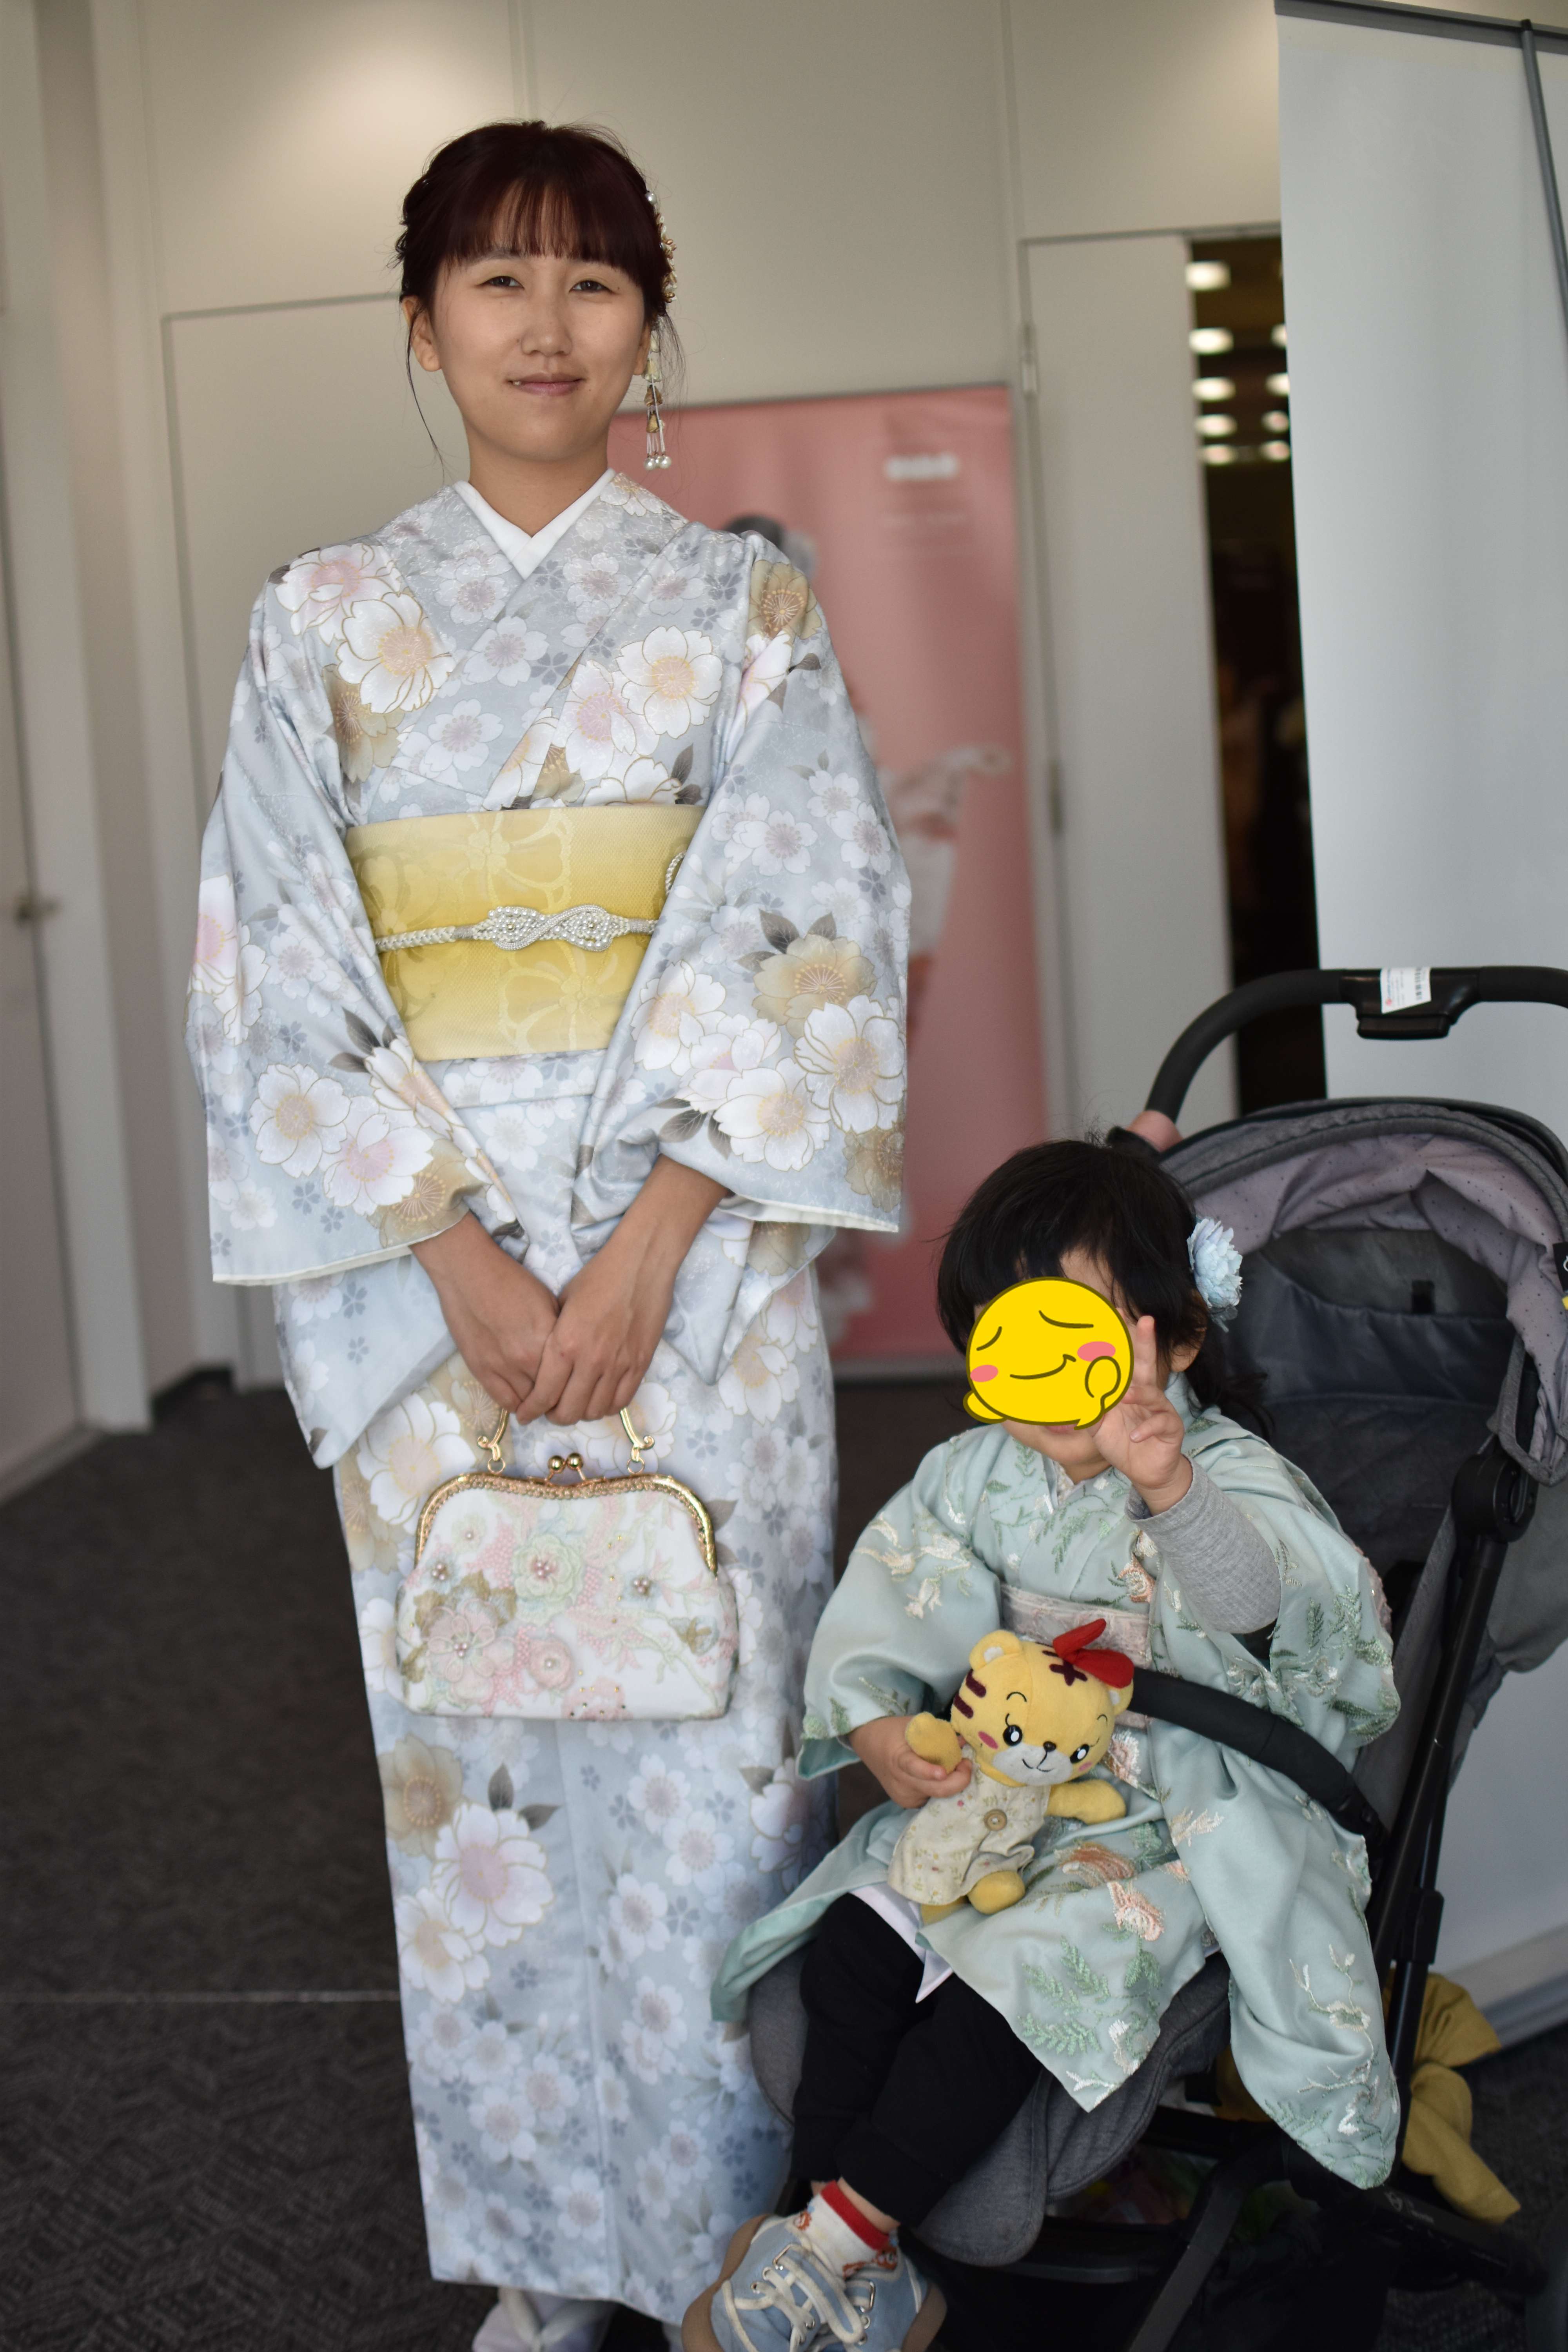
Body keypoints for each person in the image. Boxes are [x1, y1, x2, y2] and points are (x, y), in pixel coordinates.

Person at [184, 120, 908, 2352]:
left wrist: (654, 1237)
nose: (545, 324)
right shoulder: (323, 620)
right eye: (495, 280)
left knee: (714, 1766)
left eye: (593, 280)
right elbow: (274, 964)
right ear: (422, 324)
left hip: (694, 1275)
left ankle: (715, 2249)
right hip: (435, 1291)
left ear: (647, 328)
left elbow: (807, 928)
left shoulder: (740, 609)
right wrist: (460, 1254)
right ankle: (539, 2258)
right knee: (478, 1784)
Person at [695, 1138, 1399, 2352]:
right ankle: (836, 2244)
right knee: (858, 1940)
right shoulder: (979, 1476)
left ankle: (837, 2246)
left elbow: (1270, 1610)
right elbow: (900, 1589)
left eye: (1079, 1332)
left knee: (1013, 1983)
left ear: (1179, 1339)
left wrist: (1172, 1493)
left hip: (1175, 1819)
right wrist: (880, 1721)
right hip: (1010, 1790)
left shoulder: (1224, 1472)